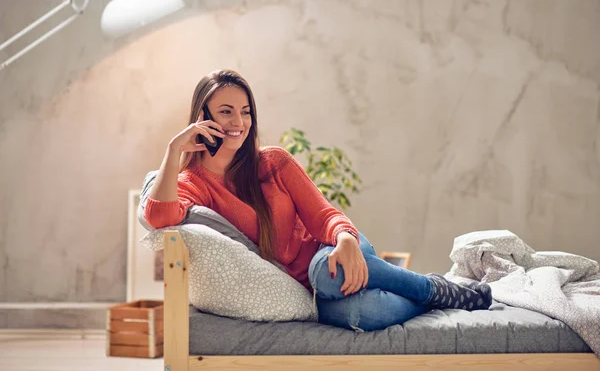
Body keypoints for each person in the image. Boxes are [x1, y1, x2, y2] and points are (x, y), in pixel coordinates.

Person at [144, 69, 493, 332]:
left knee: (326, 274)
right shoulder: (194, 185)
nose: (239, 122)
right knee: (358, 314)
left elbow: (324, 214)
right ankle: (431, 298)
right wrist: (173, 149)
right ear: (201, 118)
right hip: (309, 290)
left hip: (332, 254)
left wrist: (345, 240)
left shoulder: (273, 161)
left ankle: (431, 288)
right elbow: (157, 217)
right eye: (225, 112)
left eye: (246, 111)